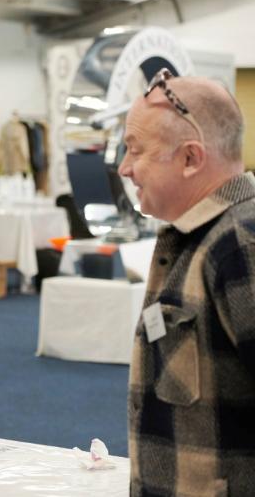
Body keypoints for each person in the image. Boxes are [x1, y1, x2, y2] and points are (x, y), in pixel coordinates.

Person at [120, 68, 255, 496]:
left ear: (191, 159)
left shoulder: (240, 245)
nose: (125, 168)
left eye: (135, 150)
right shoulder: (199, 238)